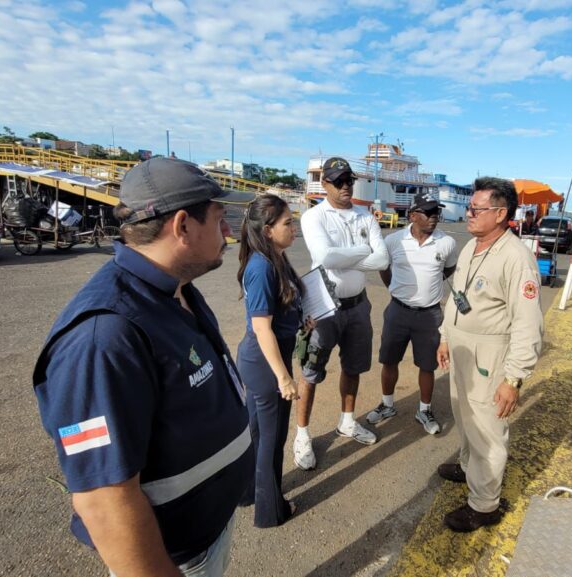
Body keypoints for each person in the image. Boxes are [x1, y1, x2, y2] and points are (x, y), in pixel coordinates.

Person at [32, 157, 255, 577]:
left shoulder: (173, 289)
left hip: (205, 532)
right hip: (172, 558)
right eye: (221, 218)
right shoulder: (105, 337)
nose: (228, 232)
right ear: (183, 226)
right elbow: (101, 499)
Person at [435, 177, 544, 532]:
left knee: (487, 429)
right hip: (463, 346)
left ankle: (484, 506)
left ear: (500, 214)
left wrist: (513, 379)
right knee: (463, 414)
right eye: (470, 207)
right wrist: (445, 337)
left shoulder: (517, 258)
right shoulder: (472, 247)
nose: (468, 214)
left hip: (490, 354)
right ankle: (468, 467)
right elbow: (457, 298)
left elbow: (528, 325)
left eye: (476, 209)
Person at [294, 157, 389, 470]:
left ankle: (347, 421)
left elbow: (383, 261)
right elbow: (323, 257)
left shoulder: (365, 216)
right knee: (311, 372)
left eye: (349, 180)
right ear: (325, 184)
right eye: (339, 181)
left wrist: (344, 258)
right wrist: (364, 252)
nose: (346, 186)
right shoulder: (314, 216)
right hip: (323, 305)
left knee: (354, 367)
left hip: (358, 305)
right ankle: (302, 434)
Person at [235, 194, 313, 527]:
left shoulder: (274, 258)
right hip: (266, 362)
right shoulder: (261, 267)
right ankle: (270, 511)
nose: (293, 227)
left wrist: (300, 321)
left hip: (268, 357)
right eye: (287, 223)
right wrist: (283, 377)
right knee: (271, 439)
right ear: (268, 230)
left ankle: (249, 492)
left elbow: (279, 311)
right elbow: (261, 327)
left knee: (256, 433)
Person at [368, 191, 458, 434]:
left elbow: (448, 270)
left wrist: (429, 287)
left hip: (430, 315)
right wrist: (395, 289)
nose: (434, 217)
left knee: (427, 365)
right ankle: (387, 405)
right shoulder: (394, 241)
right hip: (398, 311)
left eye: (436, 212)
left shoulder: (446, 243)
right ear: (412, 215)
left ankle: (424, 410)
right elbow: (383, 268)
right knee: (389, 360)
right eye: (428, 212)